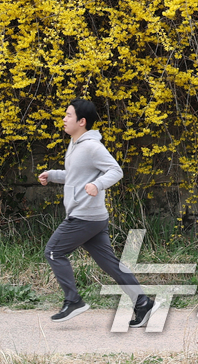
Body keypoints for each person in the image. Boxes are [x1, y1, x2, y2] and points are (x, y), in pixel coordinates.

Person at [37, 98, 158, 327]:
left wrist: (98, 185)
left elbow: (116, 170)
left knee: (53, 251)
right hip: (94, 218)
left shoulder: (92, 147)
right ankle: (143, 303)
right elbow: (76, 176)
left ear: (81, 121)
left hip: (84, 216)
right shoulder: (75, 145)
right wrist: (53, 175)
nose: (64, 119)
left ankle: (73, 300)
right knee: (110, 264)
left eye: (69, 115)